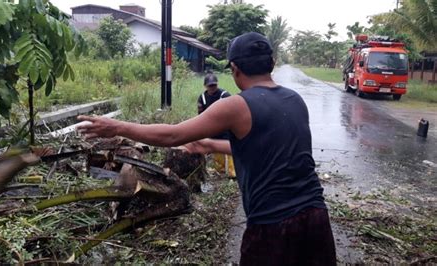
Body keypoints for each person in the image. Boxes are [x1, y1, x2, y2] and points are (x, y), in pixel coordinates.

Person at [77, 32, 336, 265]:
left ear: (234, 69)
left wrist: (117, 127)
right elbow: (268, 149)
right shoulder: (295, 100)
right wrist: (211, 145)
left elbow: (173, 135)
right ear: (272, 62)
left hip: (272, 225)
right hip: (315, 218)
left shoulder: (236, 105)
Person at [198, 73, 235, 177]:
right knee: (215, 147)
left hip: (226, 128)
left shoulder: (224, 95)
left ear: (217, 84)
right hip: (212, 129)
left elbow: (232, 112)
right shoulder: (202, 98)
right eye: (210, 86)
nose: (212, 88)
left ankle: (232, 172)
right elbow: (200, 115)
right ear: (205, 86)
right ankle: (220, 170)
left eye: (214, 85)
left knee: (228, 149)